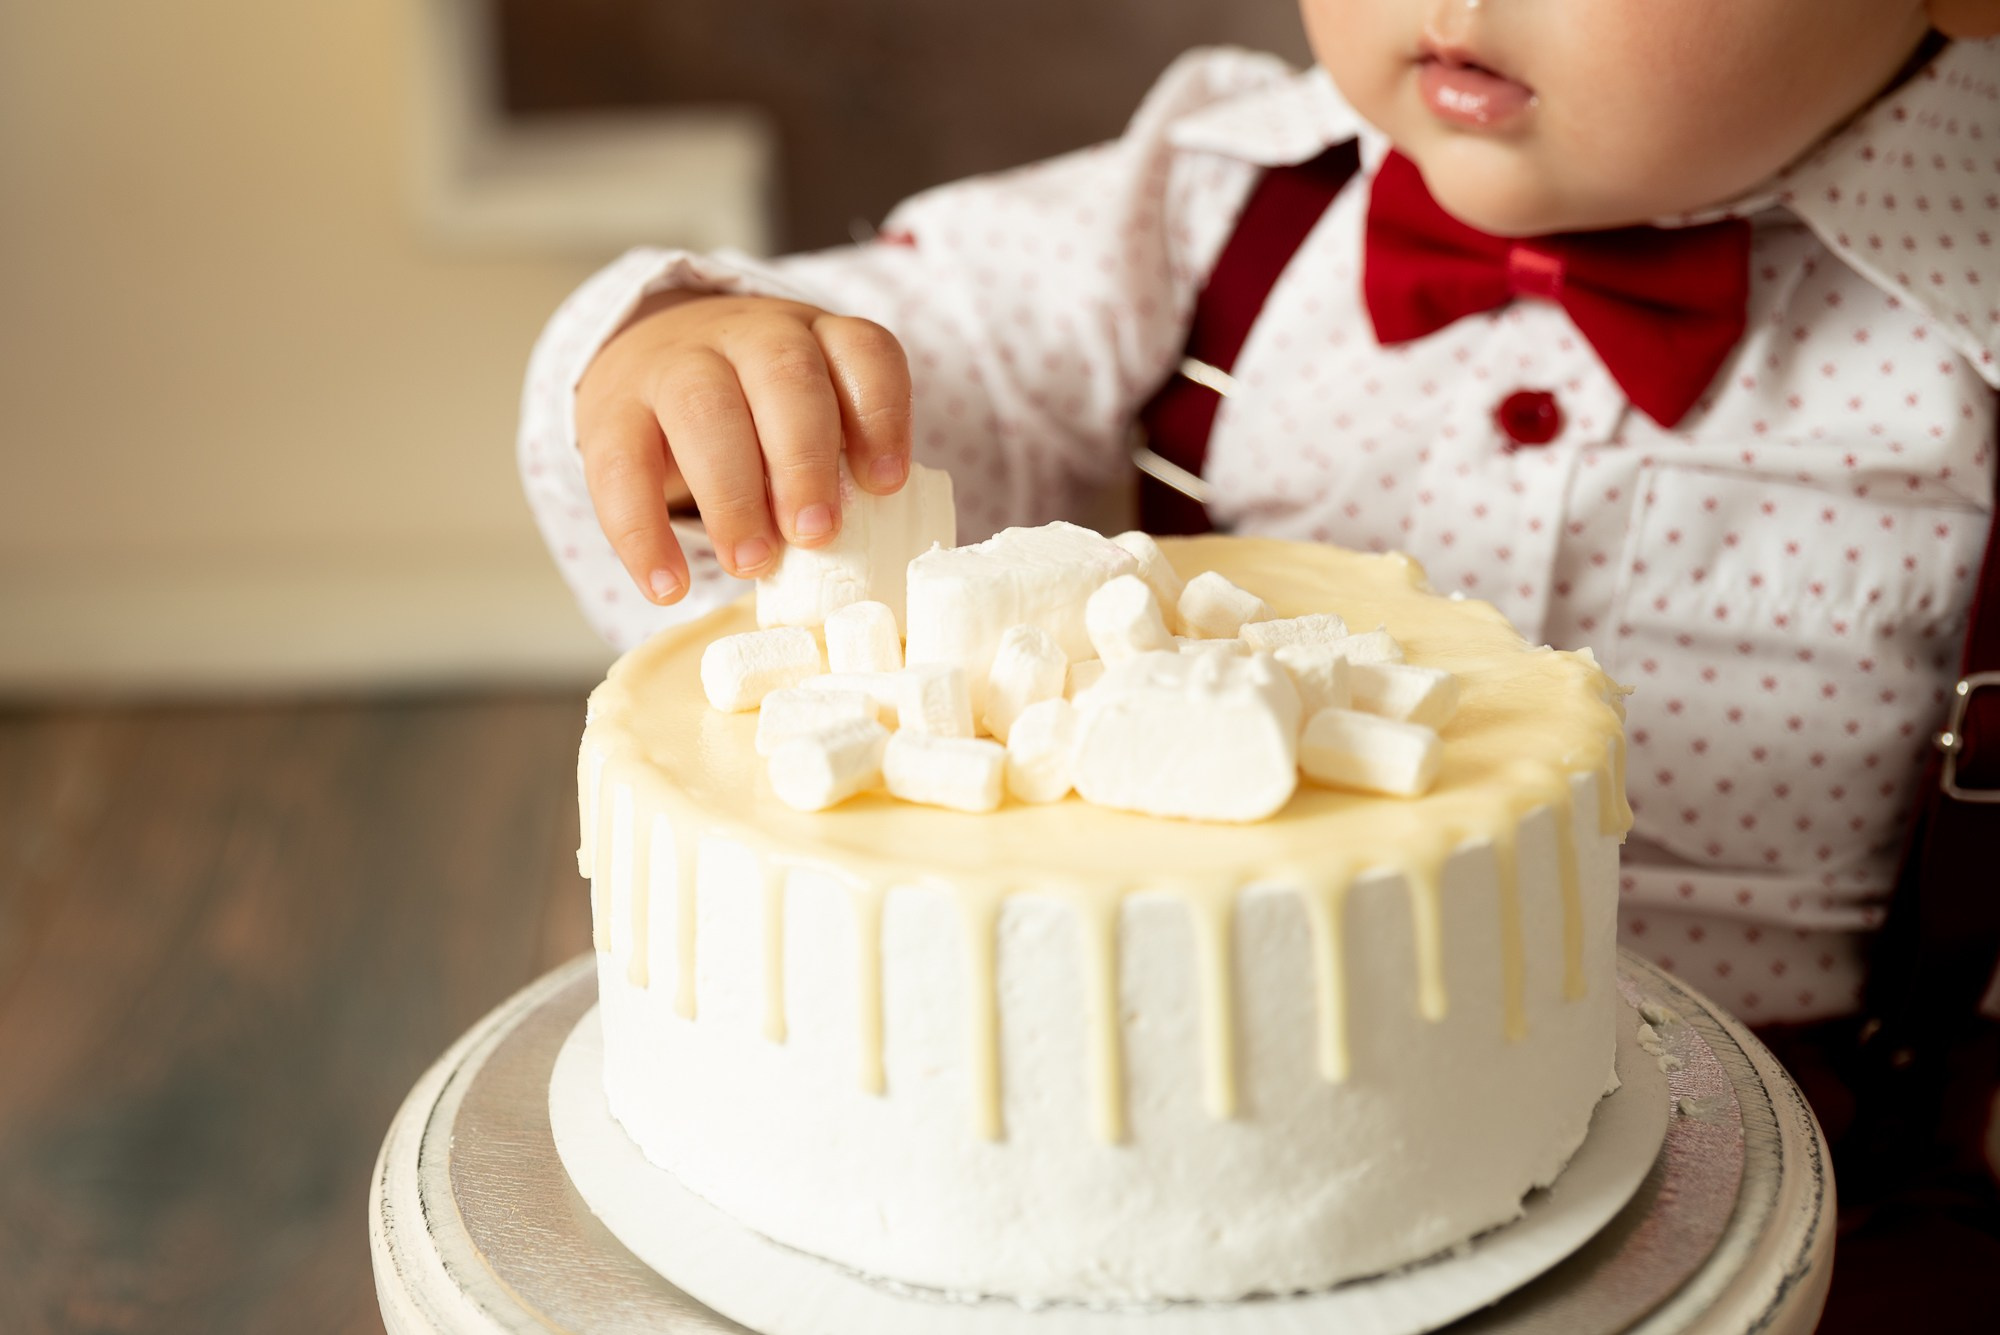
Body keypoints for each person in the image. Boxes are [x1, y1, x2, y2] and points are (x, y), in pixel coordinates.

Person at [520, 2, 2000, 1312]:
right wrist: (720, 362)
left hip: (1824, 1198)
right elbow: (926, 351)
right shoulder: (1219, 202)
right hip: (1195, 1159)